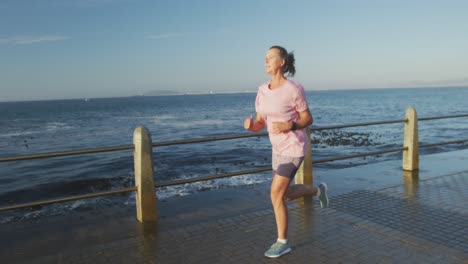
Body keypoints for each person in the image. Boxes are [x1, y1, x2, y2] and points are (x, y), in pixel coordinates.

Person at [244, 45, 329, 258]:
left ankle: (282, 242)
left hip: (294, 147)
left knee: (275, 194)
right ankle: (318, 191)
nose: (266, 61)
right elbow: (261, 122)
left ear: (282, 62)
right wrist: (251, 126)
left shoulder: (294, 89)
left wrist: (289, 126)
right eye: (265, 58)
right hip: (277, 149)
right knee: (286, 195)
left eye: (270, 57)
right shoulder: (262, 90)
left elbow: (308, 118)